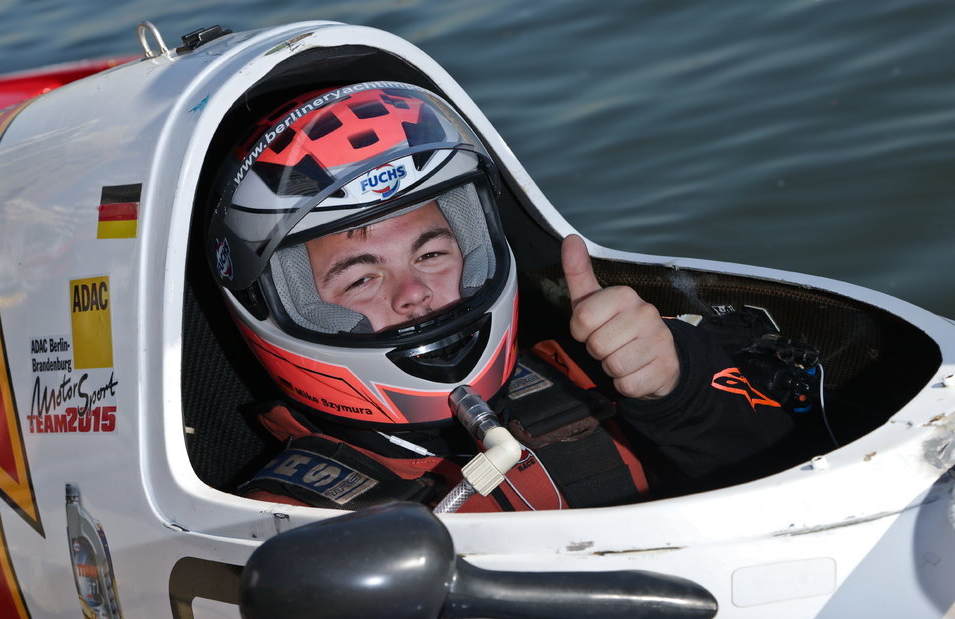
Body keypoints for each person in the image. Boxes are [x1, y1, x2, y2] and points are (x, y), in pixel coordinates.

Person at [206, 81, 796, 511]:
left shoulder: (592, 372)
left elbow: (792, 491)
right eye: (362, 278)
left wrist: (678, 391)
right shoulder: (279, 521)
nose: (415, 294)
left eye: (431, 254)